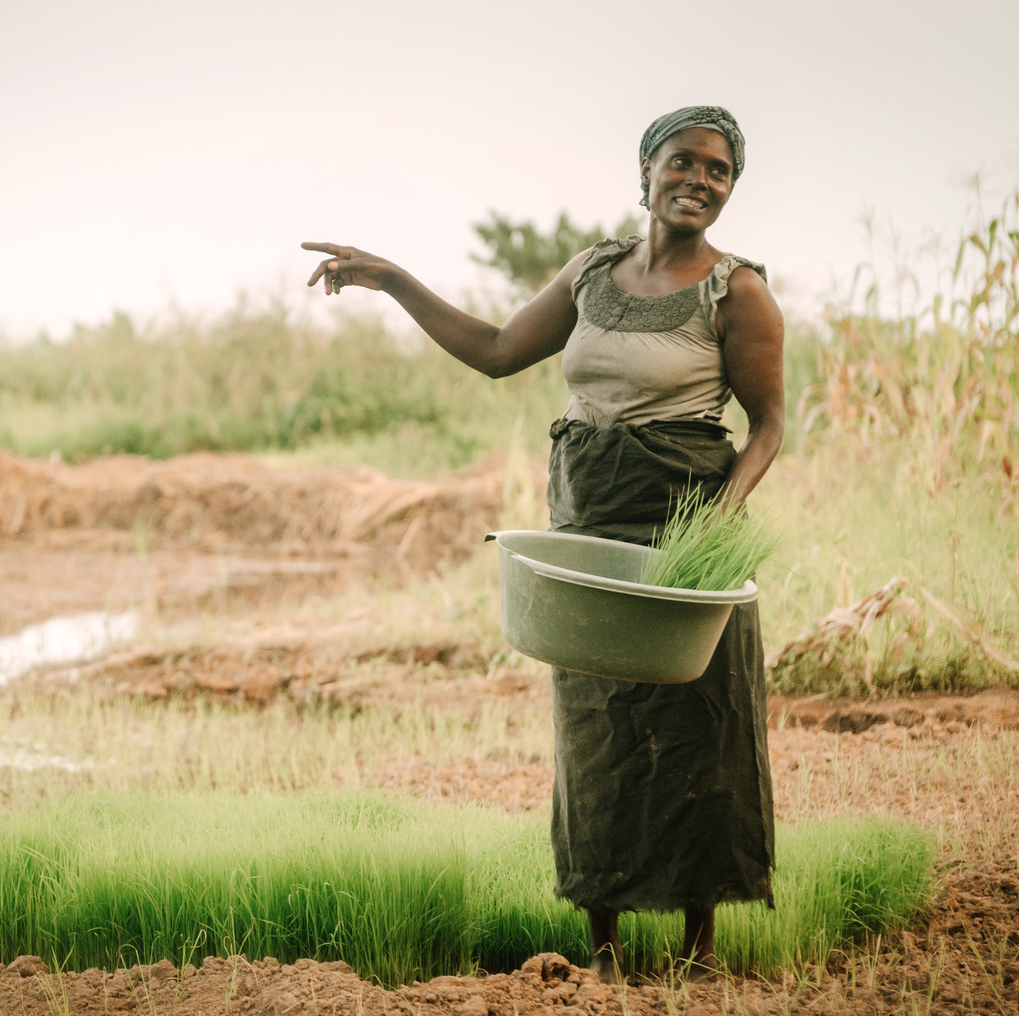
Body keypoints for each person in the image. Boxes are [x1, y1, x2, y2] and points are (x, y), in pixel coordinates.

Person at [302, 105, 783, 983]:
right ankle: (600, 954)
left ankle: (697, 953)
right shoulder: (591, 273)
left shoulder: (736, 291)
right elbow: (492, 350)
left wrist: (721, 515)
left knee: (693, 724)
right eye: (683, 162)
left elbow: (769, 424)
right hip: (590, 509)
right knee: (595, 722)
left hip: (682, 519)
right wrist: (394, 280)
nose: (699, 181)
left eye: (718, 172)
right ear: (645, 170)